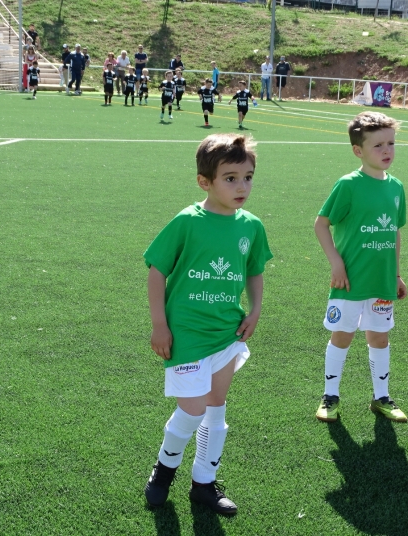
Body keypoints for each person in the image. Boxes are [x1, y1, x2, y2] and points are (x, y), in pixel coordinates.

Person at [142, 133, 272, 515]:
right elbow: (156, 270)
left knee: (216, 407)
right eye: (230, 178)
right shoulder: (188, 221)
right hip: (186, 334)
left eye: (248, 177)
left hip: (226, 333)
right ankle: (163, 473)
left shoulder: (251, 226)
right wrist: (159, 324)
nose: (242, 186)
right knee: (192, 408)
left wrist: (255, 309)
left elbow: (255, 271)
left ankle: (204, 484)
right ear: (205, 182)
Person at [314, 111, 408, 424]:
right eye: (378, 145)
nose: (387, 151)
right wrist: (336, 263)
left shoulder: (396, 188)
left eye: (391, 143)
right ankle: (330, 396)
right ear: (359, 150)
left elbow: (394, 232)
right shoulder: (348, 185)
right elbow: (321, 224)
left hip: (381, 281)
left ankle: (382, 397)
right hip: (350, 281)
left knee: (379, 338)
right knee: (342, 335)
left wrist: (395, 274)